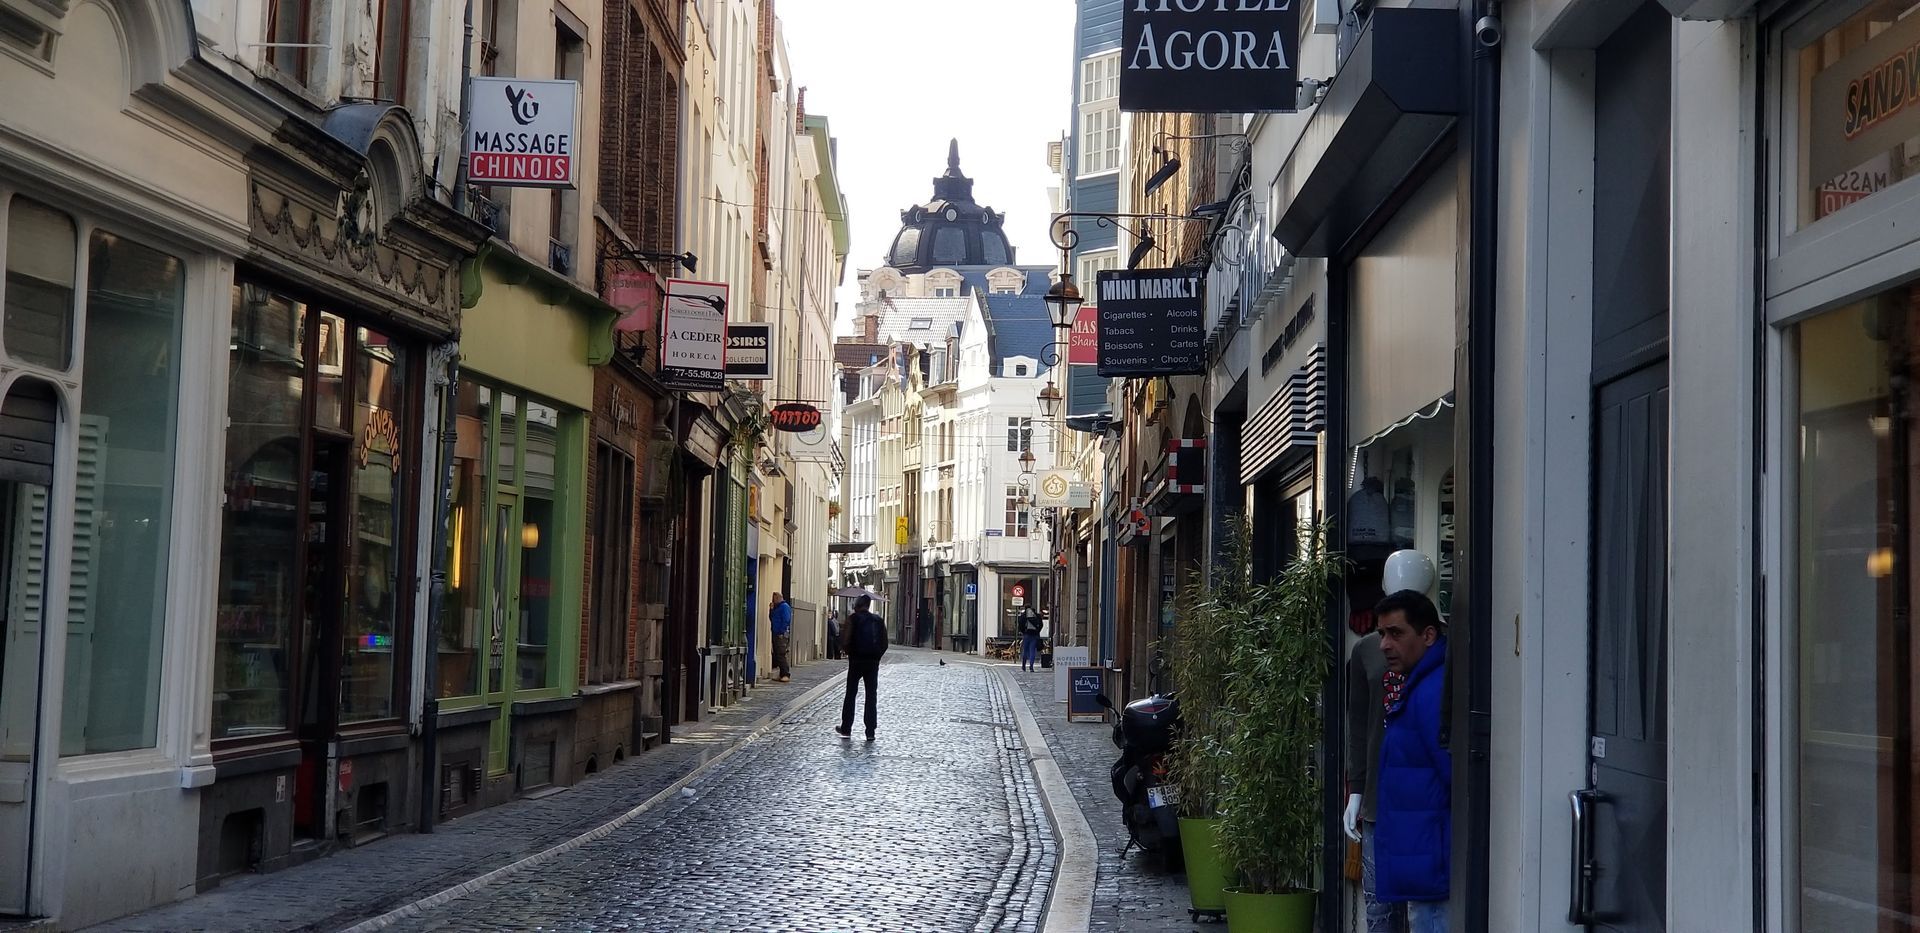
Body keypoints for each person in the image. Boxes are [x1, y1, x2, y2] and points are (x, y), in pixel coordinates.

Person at [1372, 589, 1451, 933]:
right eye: (1381, 634)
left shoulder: (1432, 693)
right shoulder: (1424, 686)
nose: (1384, 645)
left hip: (1432, 871)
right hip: (1425, 865)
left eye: (1396, 633)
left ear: (1428, 635)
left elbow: (1455, 780)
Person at [838, 594, 887, 740]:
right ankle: (870, 731)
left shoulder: (853, 619)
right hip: (872, 662)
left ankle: (846, 728)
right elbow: (884, 643)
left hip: (856, 660)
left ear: (858, 605)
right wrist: (877, 656)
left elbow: (846, 639)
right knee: (871, 696)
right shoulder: (878, 620)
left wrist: (848, 652)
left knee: (851, 694)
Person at [768, 592, 793, 682]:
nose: (773, 601)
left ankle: (786, 674)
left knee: (781, 654)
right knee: (777, 654)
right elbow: (772, 618)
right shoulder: (777, 608)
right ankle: (782, 674)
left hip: (780, 634)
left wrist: (781, 632)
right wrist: (771, 610)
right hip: (776, 632)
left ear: (778, 598)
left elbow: (786, 620)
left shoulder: (784, 607)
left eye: (774, 599)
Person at [1017, 605, 1044, 672]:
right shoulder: (1036, 615)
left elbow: (1020, 625)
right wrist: (1037, 631)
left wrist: (1023, 632)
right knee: (1032, 651)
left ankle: (1023, 665)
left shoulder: (1024, 616)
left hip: (1026, 635)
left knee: (1025, 651)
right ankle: (1031, 666)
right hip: (1034, 635)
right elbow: (1041, 625)